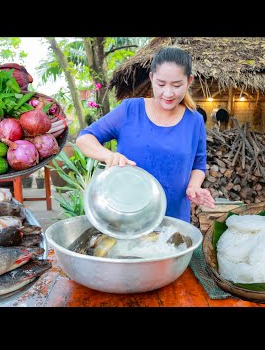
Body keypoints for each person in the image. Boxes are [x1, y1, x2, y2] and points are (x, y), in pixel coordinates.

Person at [76, 46, 215, 223]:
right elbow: (84, 138)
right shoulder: (130, 110)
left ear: (189, 81)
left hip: (174, 220)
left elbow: (198, 164)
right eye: (161, 84)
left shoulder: (194, 120)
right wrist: (108, 155)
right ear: (151, 78)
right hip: (126, 218)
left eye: (177, 85)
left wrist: (193, 187)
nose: (168, 93)